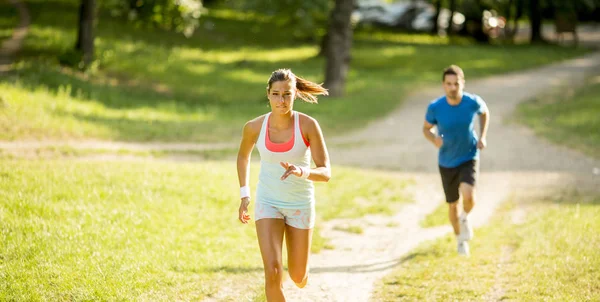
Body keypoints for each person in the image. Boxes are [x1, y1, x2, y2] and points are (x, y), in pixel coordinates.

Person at [236, 68, 331, 301]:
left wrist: (302, 171)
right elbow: (243, 157)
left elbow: (326, 172)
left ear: (295, 94)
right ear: (268, 94)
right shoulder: (254, 127)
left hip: (300, 203)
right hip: (268, 202)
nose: (281, 100)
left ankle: (301, 275)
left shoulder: (308, 125)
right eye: (276, 94)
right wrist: (245, 194)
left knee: (297, 276)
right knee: (273, 271)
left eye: (287, 94)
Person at [422, 65, 490, 256]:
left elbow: (485, 113)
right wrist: (433, 138)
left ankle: (465, 217)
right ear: (443, 85)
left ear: (462, 83)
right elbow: (426, 129)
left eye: (456, 84)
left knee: (469, 197)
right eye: (448, 84)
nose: (452, 87)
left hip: (469, 155)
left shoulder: (472, 102)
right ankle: (460, 240)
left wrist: (483, 136)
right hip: (446, 160)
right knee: (453, 204)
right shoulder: (435, 107)